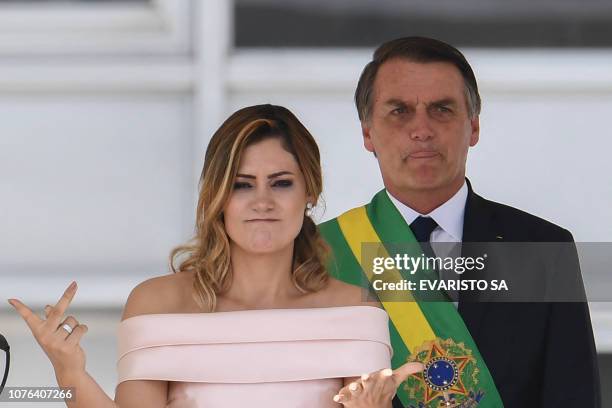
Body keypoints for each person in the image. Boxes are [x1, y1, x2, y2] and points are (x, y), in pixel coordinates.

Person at [8, 104, 424, 408]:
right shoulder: (157, 304)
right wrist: (69, 372)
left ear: (309, 192)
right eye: (242, 185)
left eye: (280, 183)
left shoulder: (352, 307)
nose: (262, 201)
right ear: (217, 197)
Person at [319, 37, 600, 408]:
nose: (422, 129)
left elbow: (574, 395)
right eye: (400, 111)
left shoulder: (543, 249)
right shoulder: (322, 253)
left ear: (474, 126)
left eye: (441, 109)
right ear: (368, 133)